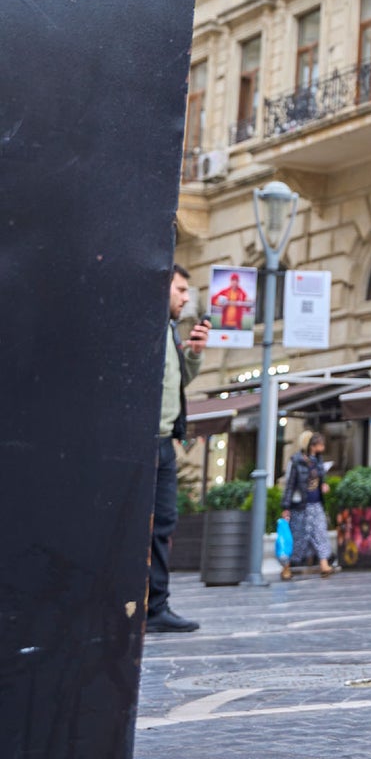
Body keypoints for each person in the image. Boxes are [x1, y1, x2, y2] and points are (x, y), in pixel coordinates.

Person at [149, 266, 209, 633]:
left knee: (164, 525)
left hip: (164, 442)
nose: (186, 298)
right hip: (139, 443)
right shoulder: (145, 326)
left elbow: (179, 380)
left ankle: (156, 606)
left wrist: (195, 353)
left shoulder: (171, 329)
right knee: (137, 527)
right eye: (181, 289)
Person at [280, 432, 335, 576]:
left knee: (320, 532)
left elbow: (321, 479)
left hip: (316, 503)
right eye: (319, 444)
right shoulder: (296, 461)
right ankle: (286, 566)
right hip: (300, 505)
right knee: (298, 537)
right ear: (310, 445)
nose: (322, 447)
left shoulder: (318, 460)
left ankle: (324, 565)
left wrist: (323, 485)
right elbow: (290, 485)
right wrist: (286, 507)